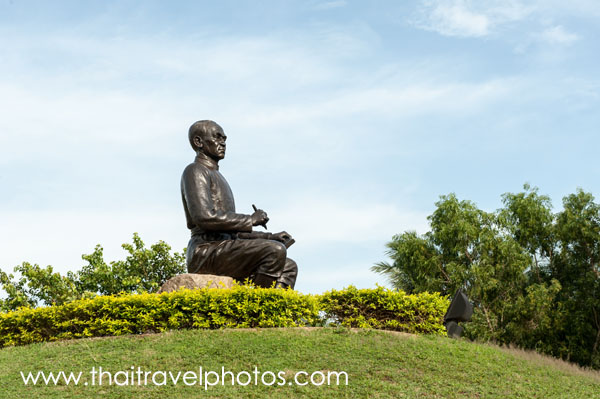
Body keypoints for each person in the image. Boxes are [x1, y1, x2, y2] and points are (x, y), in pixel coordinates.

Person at [180, 120, 298, 289]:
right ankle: (253, 308)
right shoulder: (195, 170)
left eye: (224, 139)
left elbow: (231, 233)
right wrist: (250, 219)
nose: (223, 143)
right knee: (275, 251)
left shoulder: (218, 176)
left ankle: (267, 312)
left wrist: (269, 236)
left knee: (288, 266)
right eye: (217, 137)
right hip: (206, 250)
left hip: (224, 247)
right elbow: (204, 217)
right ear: (198, 142)